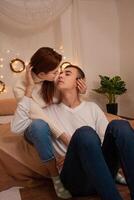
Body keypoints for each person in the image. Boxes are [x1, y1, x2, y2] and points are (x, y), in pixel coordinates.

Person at [11, 64, 134, 200]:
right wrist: (29, 88)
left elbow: (106, 140)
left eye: (67, 73)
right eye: (59, 73)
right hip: (75, 180)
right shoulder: (47, 112)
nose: (61, 75)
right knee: (85, 133)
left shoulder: (92, 108)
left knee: (120, 125)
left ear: (79, 82)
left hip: (104, 173)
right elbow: (18, 127)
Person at [12, 47, 86, 199]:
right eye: (54, 72)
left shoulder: (52, 80)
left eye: (59, 69)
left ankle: (108, 167)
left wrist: (80, 92)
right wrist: (64, 137)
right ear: (41, 74)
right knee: (39, 126)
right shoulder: (20, 87)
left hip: (54, 119)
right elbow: (37, 115)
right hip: (33, 126)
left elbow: (68, 97)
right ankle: (56, 179)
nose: (58, 73)